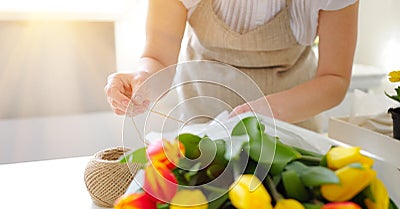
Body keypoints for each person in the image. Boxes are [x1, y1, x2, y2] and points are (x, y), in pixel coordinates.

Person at [104, 0, 359, 132]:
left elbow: (334, 79)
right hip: (204, 132)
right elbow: (159, 56)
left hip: (292, 133)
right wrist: (142, 80)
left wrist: (268, 112)